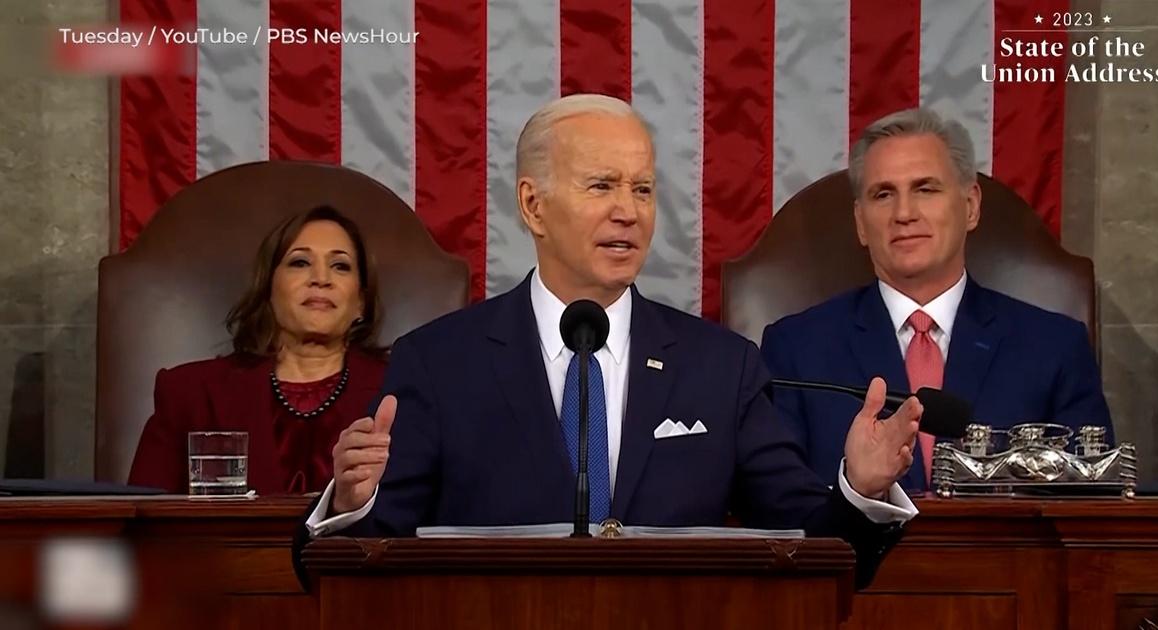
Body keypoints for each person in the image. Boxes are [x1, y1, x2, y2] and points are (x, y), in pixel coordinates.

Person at [301, 95, 920, 586]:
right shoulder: (439, 362)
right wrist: (351, 505)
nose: (628, 211)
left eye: (643, 189)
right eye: (601, 186)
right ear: (533, 205)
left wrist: (858, 491)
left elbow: (813, 547)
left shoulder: (720, 366)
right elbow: (348, 570)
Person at [761, 108, 1113, 492]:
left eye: (925, 189)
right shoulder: (797, 349)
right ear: (861, 223)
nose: (904, 214)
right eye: (883, 194)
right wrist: (854, 489)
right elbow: (773, 502)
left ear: (970, 206)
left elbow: (1090, 502)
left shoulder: (1054, 347)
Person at [128, 205, 388, 494]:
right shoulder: (189, 394)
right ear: (268, 289)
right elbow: (143, 524)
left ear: (361, 302)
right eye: (300, 262)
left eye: (340, 266)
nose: (321, 278)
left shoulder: (404, 391)